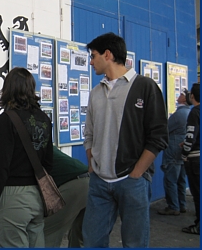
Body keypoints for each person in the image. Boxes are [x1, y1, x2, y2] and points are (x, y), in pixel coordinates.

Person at [82, 32, 168, 247]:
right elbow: (89, 134)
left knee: (134, 244)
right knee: (92, 241)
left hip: (132, 182)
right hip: (99, 183)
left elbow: (158, 136)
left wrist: (137, 173)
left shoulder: (145, 87)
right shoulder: (95, 92)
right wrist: (92, 165)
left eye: (93, 56)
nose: (91, 62)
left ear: (108, 54)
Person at [0, 67, 53, 247]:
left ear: (8, 89)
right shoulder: (44, 119)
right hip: (37, 198)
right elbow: (48, 163)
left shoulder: (7, 120)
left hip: (12, 196)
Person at [44, 145, 89, 248]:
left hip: (75, 185)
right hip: (90, 182)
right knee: (79, 236)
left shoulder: (30, 152)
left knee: (48, 231)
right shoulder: (43, 145)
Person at [158, 89, 191, 215]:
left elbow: (166, 129)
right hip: (182, 150)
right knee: (181, 179)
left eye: (182, 95)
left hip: (173, 148)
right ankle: (181, 204)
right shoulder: (188, 113)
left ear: (184, 99)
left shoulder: (179, 115)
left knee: (170, 178)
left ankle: (173, 206)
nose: (179, 95)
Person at [181, 83, 200, 235]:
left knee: (197, 194)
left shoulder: (194, 113)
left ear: (192, 96)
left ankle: (198, 226)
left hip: (195, 160)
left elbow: (190, 138)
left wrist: (184, 153)